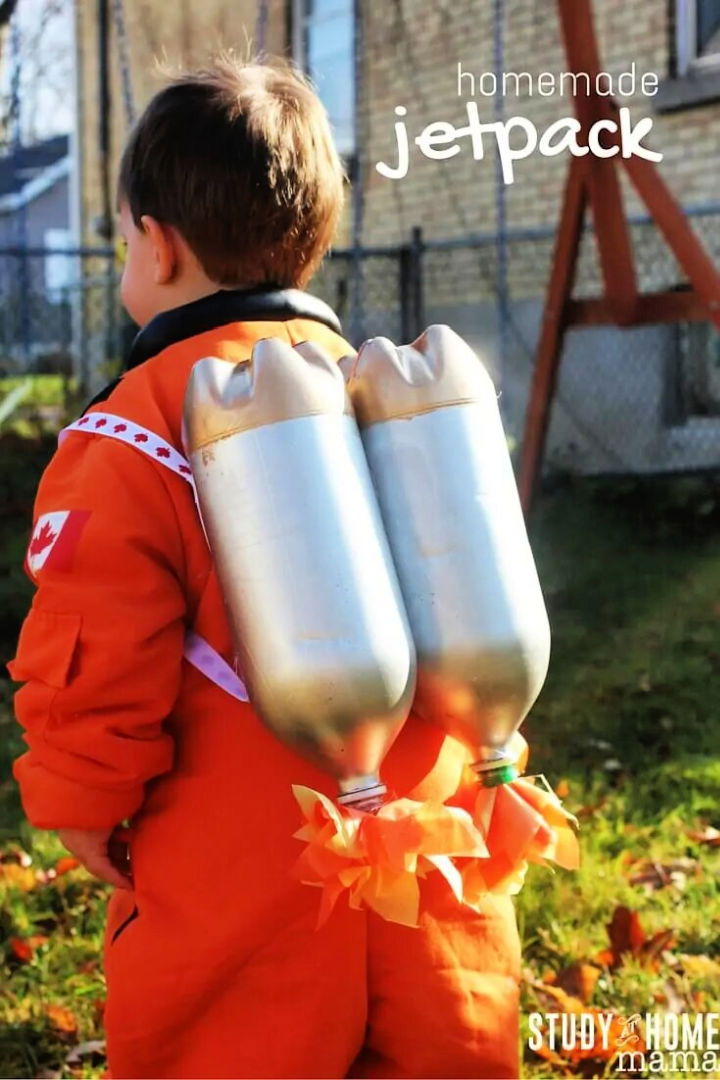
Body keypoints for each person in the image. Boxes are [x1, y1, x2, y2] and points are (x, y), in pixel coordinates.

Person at [8, 55, 522, 1080]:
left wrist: (78, 805)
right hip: (432, 876)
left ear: (156, 246)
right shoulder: (398, 401)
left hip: (243, 902)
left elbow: (92, 658)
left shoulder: (127, 438)